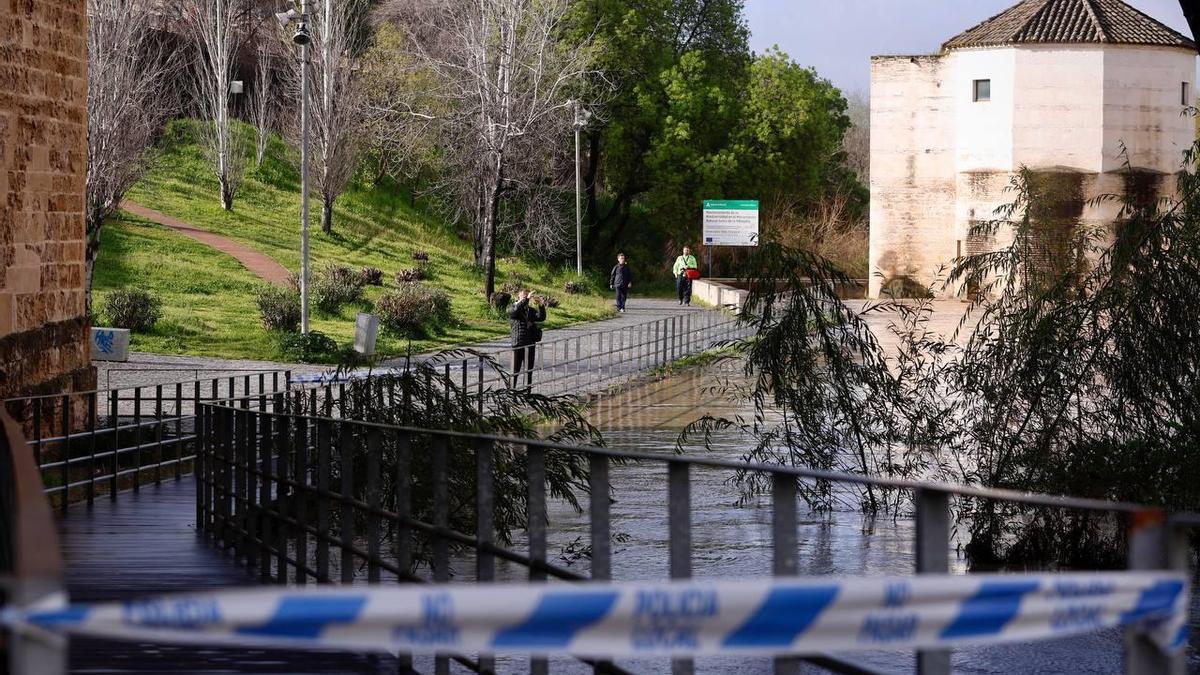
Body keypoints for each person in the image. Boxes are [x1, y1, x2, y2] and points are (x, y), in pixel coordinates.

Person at [506, 289, 545, 390]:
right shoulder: (512, 308)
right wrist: (526, 299)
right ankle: (512, 391)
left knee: (529, 369)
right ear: (518, 297)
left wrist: (541, 305)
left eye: (527, 296)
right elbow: (516, 310)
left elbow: (541, 317)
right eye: (523, 296)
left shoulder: (530, 310)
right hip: (518, 343)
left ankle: (528, 391)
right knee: (515, 370)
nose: (526, 298)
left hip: (530, 342)